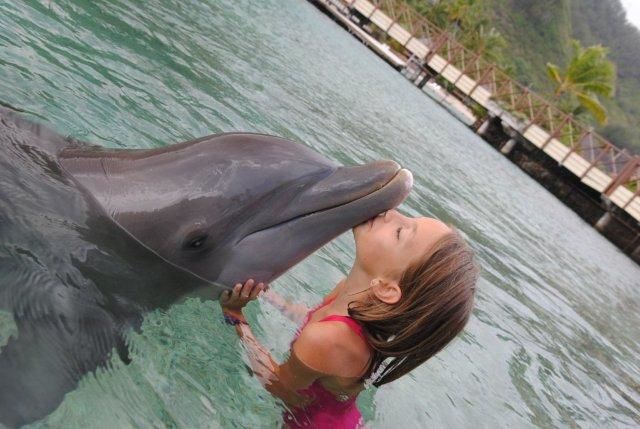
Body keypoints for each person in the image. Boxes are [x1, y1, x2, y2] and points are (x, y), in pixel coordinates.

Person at [219, 209, 479, 428]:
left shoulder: (329, 340)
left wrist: (236, 316)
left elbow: (278, 387)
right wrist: (270, 297)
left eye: (400, 232)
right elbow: (308, 317)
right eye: (407, 218)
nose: (391, 213)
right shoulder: (352, 295)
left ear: (387, 288)